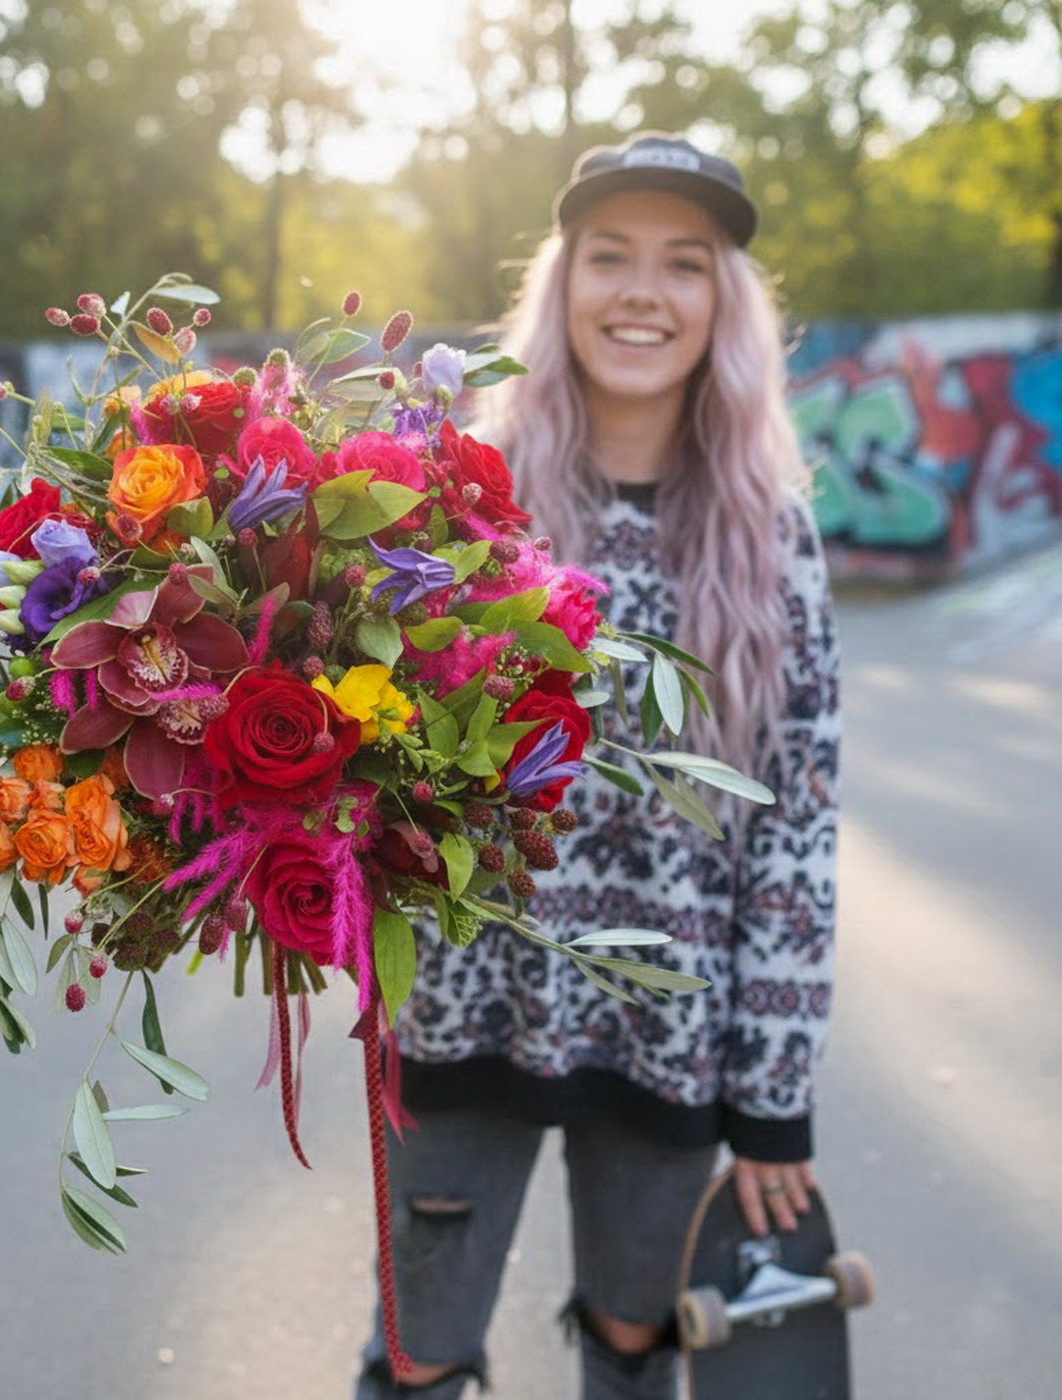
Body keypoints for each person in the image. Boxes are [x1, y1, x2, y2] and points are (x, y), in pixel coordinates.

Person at [354, 132, 841, 1399]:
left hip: (667, 1025)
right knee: (421, 1352)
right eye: (609, 255)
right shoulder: (463, 496)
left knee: (636, 1350)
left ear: (720, 303)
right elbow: (361, 746)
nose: (642, 290)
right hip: (459, 1006)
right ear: (560, 284)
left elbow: (793, 823)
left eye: (684, 263)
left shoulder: (767, 531)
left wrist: (770, 1095)